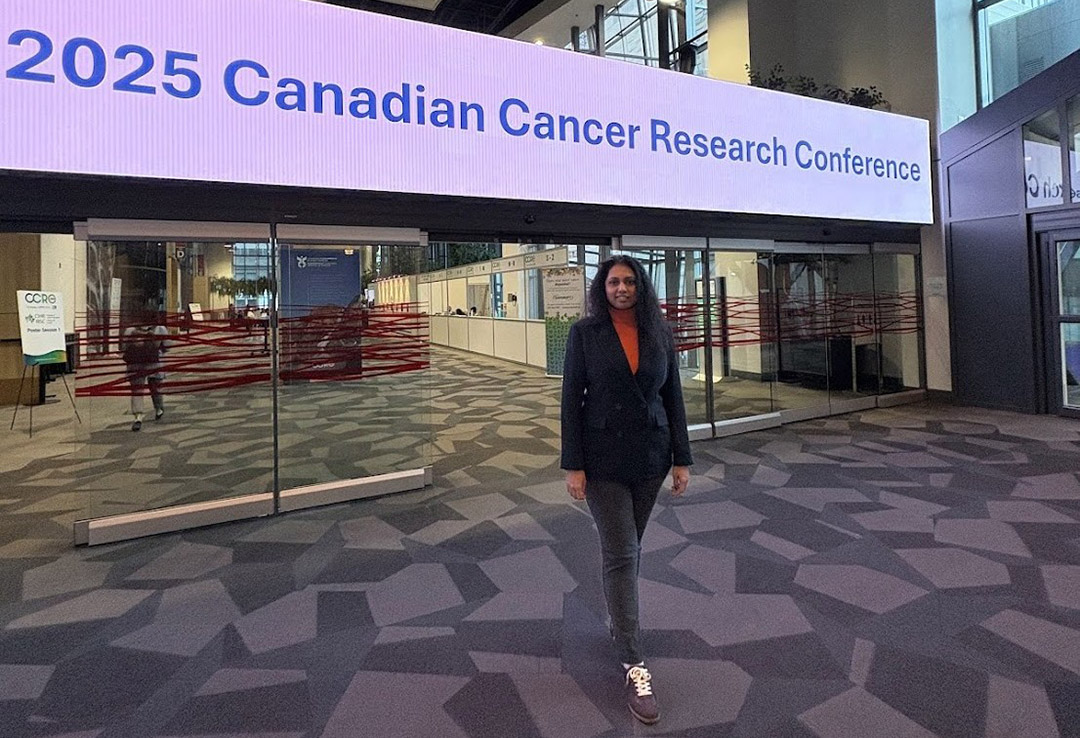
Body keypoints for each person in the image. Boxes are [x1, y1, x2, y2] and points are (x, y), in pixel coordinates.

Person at [561, 255, 692, 726]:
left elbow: (672, 395)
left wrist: (682, 458)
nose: (622, 288)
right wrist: (573, 465)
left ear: (641, 286)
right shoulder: (585, 334)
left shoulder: (659, 330)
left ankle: (620, 622)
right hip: (602, 461)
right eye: (614, 281)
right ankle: (634, 662)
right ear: (603, 286)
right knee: (621, 552)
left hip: (651, 458)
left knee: (629, 549)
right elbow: (571, 400)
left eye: (629, 281)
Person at [122, 310, 169, 431]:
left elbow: (124, 347)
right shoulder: (160, 329)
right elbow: (167, 346)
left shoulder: (130, 330)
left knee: (137, 390)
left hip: (135, 364)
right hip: (153, 363)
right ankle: (159, 409)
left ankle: (138, 417)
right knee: (155, 387)